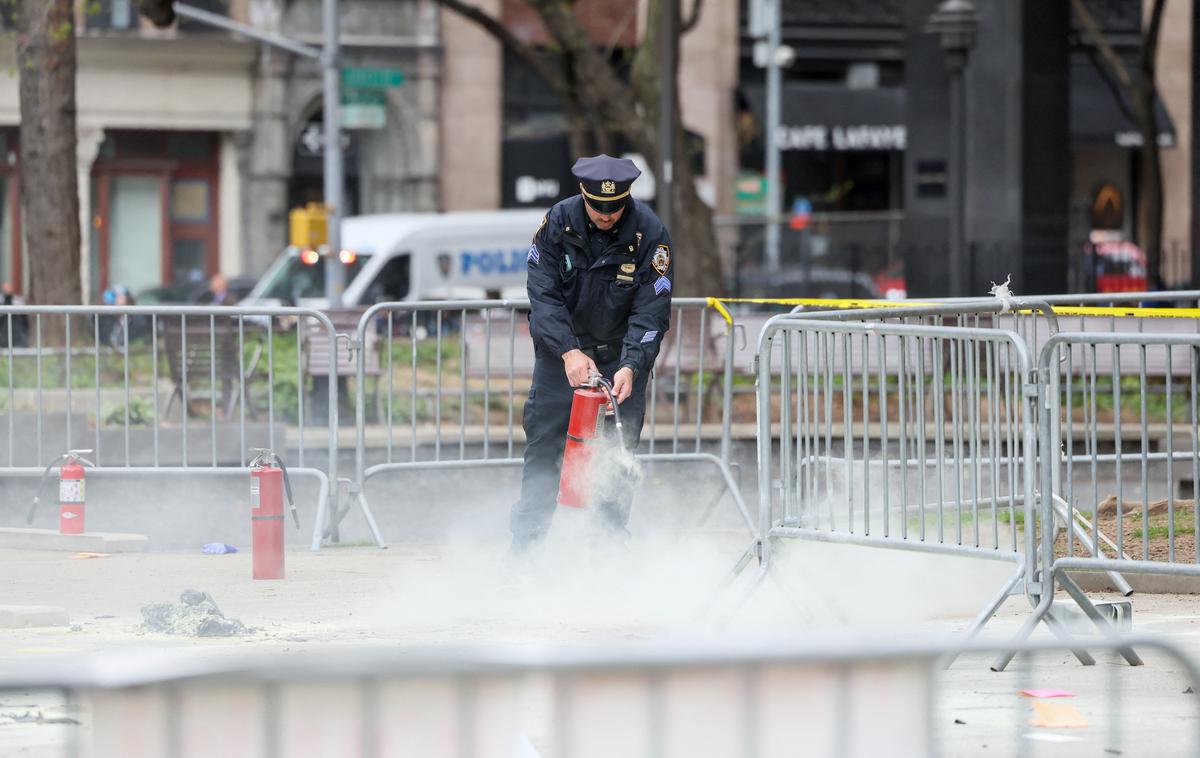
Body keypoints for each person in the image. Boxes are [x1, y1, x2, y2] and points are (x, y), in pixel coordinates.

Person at [510, 154, 675, 553]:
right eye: (598, 207)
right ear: (583, 196)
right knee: (545, 450)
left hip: (621, 362)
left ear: (626, 198)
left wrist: (633, 365)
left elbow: (651, 308)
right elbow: (543, 295)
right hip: (561, 361)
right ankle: (525, 552)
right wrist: (569, 351)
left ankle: (607, 553)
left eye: (615, 206)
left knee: (617, 457)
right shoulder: (557, 224)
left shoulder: (650, 232)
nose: (606, 215)